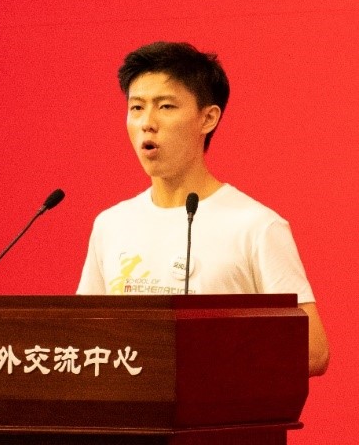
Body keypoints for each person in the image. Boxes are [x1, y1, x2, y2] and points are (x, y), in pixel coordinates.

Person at [76, 41, 329, 376]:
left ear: (208, 118)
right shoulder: (111, 224)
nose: (147, 122)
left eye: (165, 106)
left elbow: (313, 351)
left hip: (220, 406)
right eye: (136, 108)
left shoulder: (256, 226)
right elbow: (83, 339)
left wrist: (214, 358)